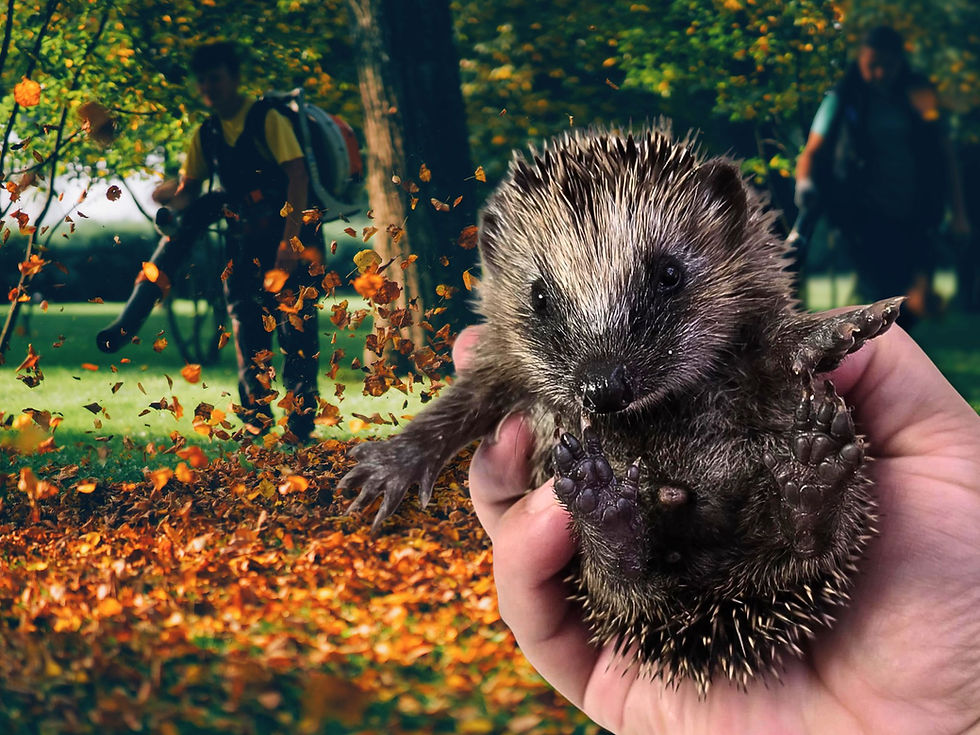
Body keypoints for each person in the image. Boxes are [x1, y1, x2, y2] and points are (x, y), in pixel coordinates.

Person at [457, 323, 980, 735]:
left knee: (616, 536)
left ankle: (624, 542)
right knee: (784, 469)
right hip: (744, 514)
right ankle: (799, 524)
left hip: (705, 525)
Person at [153, 41, 320, 443]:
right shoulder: (206, 134)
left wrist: (289, 244)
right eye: (204, 81)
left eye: (217, 78)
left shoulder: (267, 119)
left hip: (291, 237)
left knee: (296, 330)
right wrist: (167, 196)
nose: (209, 87)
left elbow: (298, 177)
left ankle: (300, 424)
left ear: (235, 78)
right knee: (247, 329)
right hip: (243, 245)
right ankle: (255, 418)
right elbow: (189, 192)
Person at [795, 26, 971, 321]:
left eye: (887, 65)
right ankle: (877, 356)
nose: (879, 73)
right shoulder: (843, 98)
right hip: (863, 219)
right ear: (860, 60)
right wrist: (804, 182)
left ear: (900, 62)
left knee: (908, 303)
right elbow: (812, 151)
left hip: (915, 216)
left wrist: (959, 213)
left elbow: (944, 153)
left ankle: (895, 357)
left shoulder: (920, 95)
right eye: (871, 65)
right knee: (879, 296)